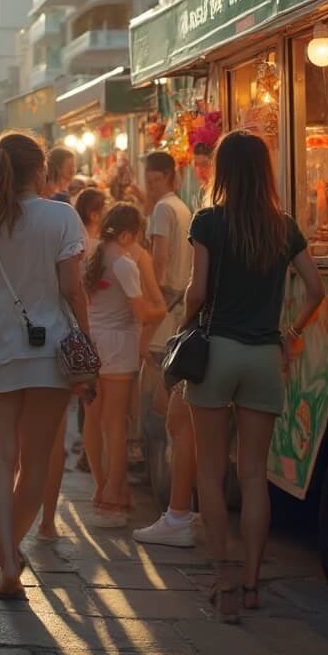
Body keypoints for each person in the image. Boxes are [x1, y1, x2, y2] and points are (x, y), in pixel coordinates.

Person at [183, 131, 324, 622]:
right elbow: (316, 287)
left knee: (210, 470)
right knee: (254, 474)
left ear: (222, 170)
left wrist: (185, 323)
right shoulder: (283, 226)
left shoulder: (208, 221)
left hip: (216, 351)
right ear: (265, 170)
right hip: (265, 356)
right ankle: (252, 584)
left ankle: (223, 582)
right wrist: (291, 332)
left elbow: (197, 290)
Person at [0, 132, 88, 599]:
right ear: (40, 169)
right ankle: (10, 550)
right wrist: (86, 340)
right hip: (49, 351)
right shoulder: (62, 217)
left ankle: (8, 558)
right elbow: (72, 288)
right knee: (36, 461)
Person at [82, 203, 166, 528]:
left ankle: (101, 485)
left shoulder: (93, 254)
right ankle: (113, 494)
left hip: (90, 345)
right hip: (117, 346)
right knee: (116, 422)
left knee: (93, 419)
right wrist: (163, 311)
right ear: (129, 234)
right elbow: (142, 313)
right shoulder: (125, 263)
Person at [134, 151, 198, 549]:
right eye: (149, 179)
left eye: (154, 179)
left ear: (166, 177)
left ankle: (168, 496)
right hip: (178, 310)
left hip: (165, 311)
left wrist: (150, 305)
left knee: (158, 407)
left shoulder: (161, 209)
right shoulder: (184, 208)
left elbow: (157, 261)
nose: (150, 185)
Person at [74, 187, 106, 255]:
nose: (109, 214)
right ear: (94, 216)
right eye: (105, 209)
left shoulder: (71, 242)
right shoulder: (99, 248)